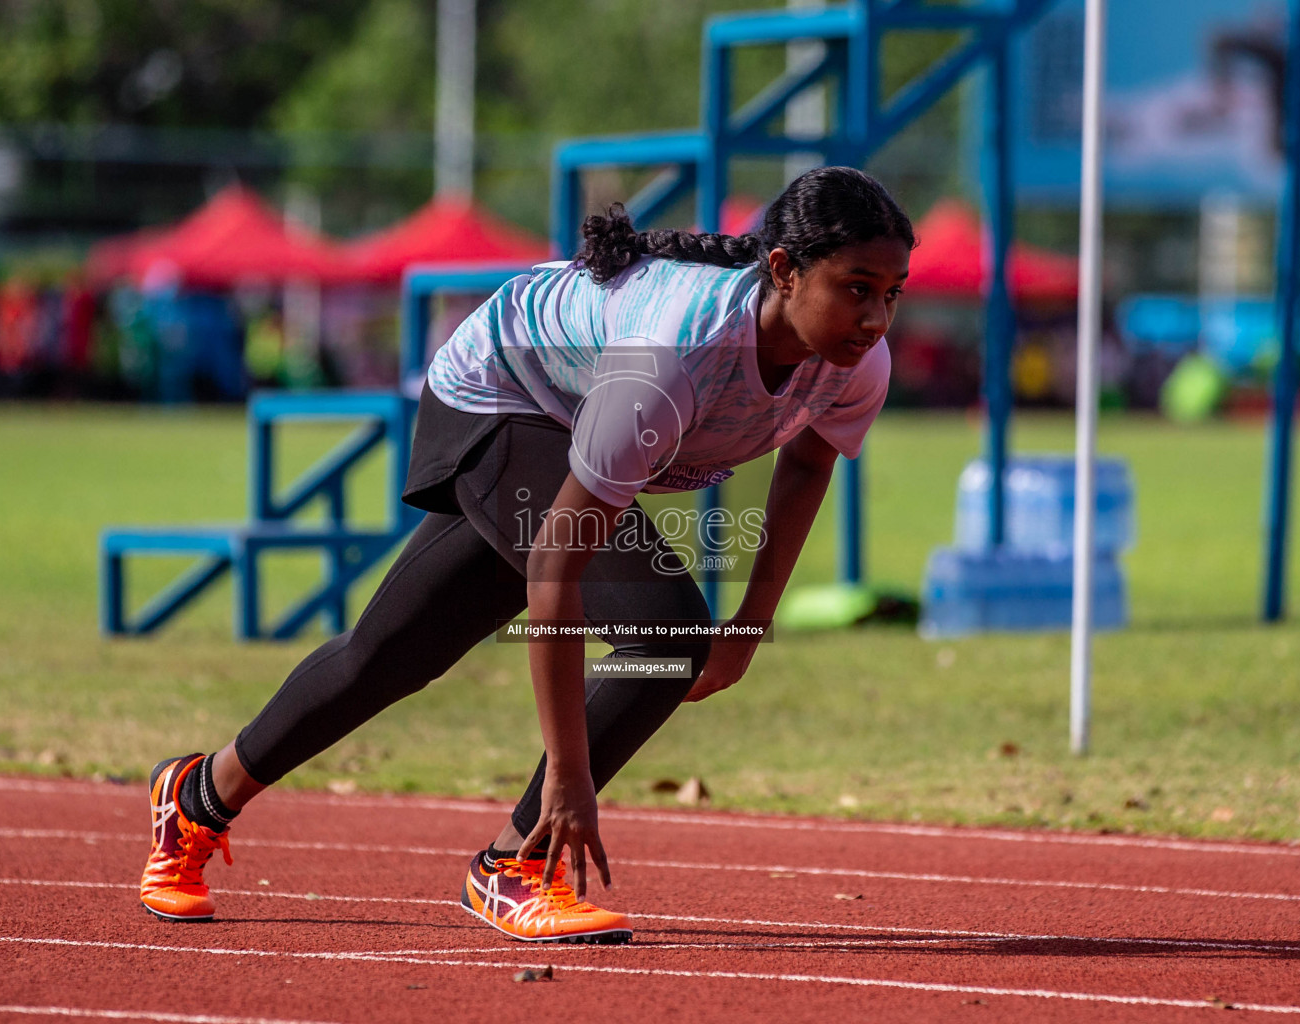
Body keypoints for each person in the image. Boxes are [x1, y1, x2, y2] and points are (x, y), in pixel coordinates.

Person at [139, 165, 915, 944]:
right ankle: (516, 864)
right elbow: (555, 571)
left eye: (893, 292)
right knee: (667, 632)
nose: (877, 316)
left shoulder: (856, 362)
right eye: (856, 287)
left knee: (394, 653)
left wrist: (749, 630)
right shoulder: (676, 354)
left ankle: (197, 795)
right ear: (783, 269)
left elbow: (808, 465)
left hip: (572, 416)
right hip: (500, 395)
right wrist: (569, 780)